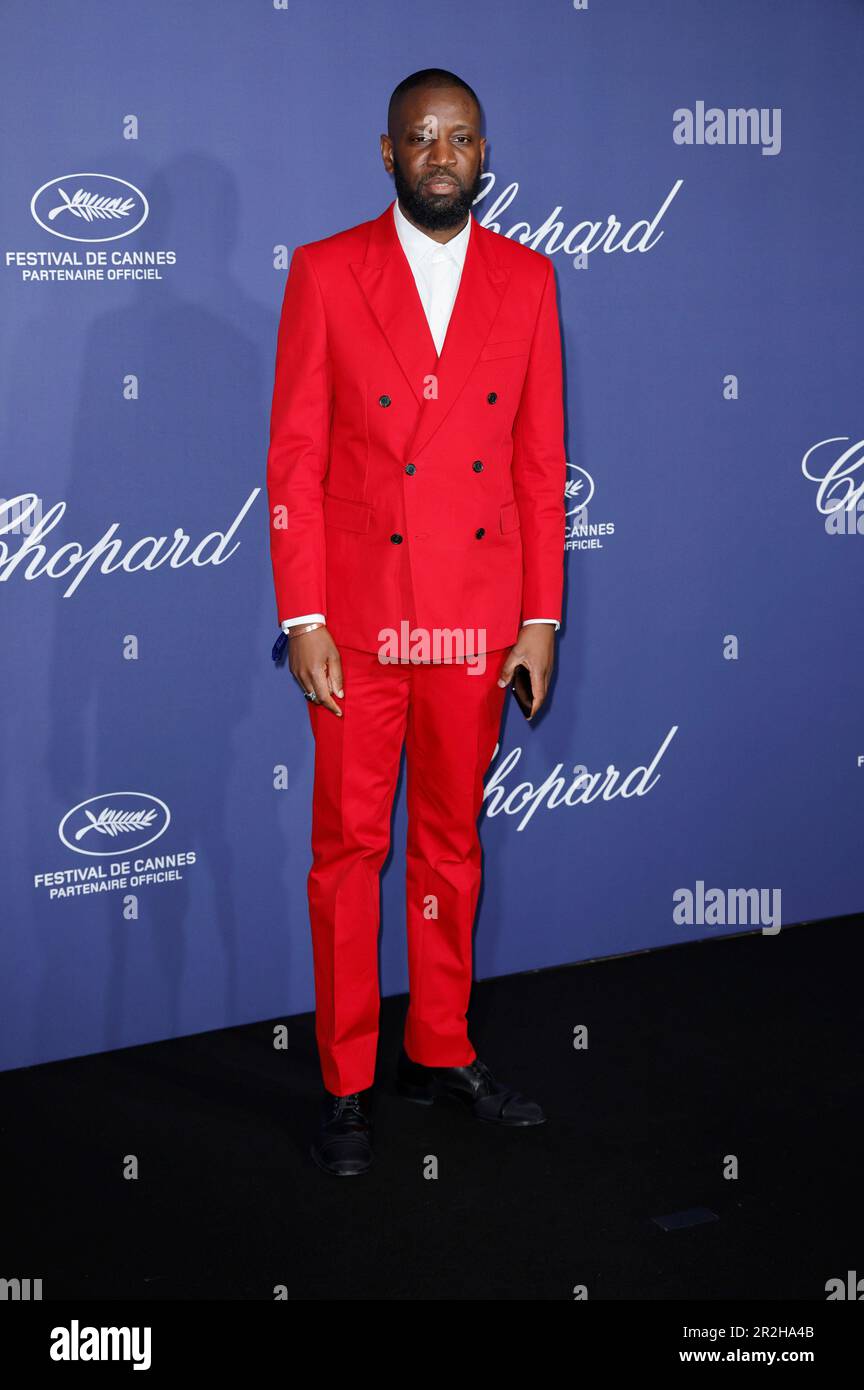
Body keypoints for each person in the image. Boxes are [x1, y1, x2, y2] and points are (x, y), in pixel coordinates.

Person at [266, 67, 566, 1176]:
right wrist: (303, 615)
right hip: (358, 623)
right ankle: (347, 1082)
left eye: (462, 137)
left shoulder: (529, 280)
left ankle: (440, 1046)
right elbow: (294, 453)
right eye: (420, 136)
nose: (442, 153)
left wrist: (541, 618)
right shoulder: (328, 271)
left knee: (450, 843)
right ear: (387, 152)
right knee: (349, 849)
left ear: (484, 155)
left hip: (476, 623)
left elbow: (540, 466)